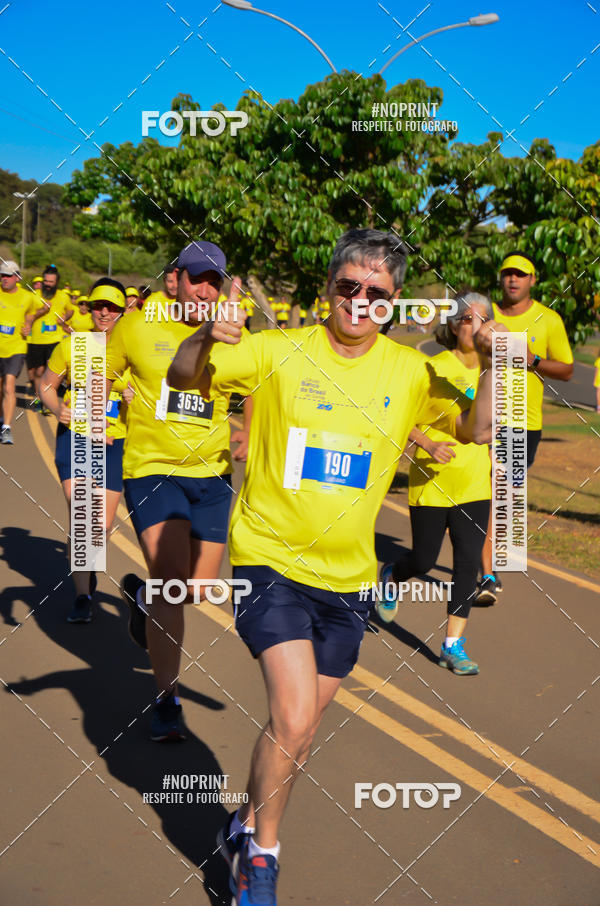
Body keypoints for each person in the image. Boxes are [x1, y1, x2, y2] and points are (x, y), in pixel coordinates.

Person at [168, 228, 501, 906]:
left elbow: (481, 430)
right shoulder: (276, 349)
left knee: (299, 732)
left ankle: (241, 824)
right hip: (269, 561)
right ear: (328, 287)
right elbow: (182, 376)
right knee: (291, 718)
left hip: (350, 579)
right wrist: (206, 337)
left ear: (393, 301)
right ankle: (262, 860)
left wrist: (497, 365)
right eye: (347, 286)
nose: (359, 300)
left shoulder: (411, 373)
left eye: (375, 293)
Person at [105, 241, 239, 742]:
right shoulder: (136, 326)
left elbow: (253, 392)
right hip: (152, 469)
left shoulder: (234, 336)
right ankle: (166, 698)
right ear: (174, 280)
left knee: (196, 591)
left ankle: (140, 600)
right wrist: (102, 407)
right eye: (198, 278)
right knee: (170, 584)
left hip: (214, 476)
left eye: (215, 281)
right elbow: (102, 372)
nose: (206, 289)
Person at [376, 293, 494, 675]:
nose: (474, 326)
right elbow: (400, 416)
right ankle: (393, 575)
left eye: (483, 319)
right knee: (424, 559)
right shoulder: (432, 367)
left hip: (475, 484)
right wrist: (426, 442)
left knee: (465, 567)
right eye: (466, 319)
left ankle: (452, 645)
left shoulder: (496, 372)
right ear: (455, 326)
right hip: (431, 480)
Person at [476, 251, 574, 603]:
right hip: (485, 418)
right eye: (507, 274)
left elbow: (566, 370)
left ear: (533, 280)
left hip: (524, 423)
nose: (513, 280)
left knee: (502, 500)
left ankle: (485, 564)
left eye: (521, 274)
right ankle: (485, 574)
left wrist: (531, 359)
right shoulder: (484, 314)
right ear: (500, 279)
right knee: (489, 492)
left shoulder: (548, 320)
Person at [40, 279, 129, 622]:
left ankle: (87, 568)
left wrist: (134, 400)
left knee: (100, 528)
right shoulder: (72, 346)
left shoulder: (131, 352)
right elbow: (47, 385)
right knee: (82, 520)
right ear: (90, 308)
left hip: (113, 443)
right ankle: (82, 595)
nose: (104, 312)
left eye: (112, 307)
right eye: (98, 306)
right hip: (74, 439)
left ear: (123, 311)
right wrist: (54, 406)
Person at [24, 265, 71, 412]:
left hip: (55, 340)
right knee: (37, 372)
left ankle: (49, 402)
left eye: (51, 282)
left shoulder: (63, 296)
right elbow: (28, 316)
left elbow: (70, 310)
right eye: (46, 281)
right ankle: (39, 399)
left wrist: (65, 317)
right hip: (36, 340)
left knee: (52, 370)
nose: (47, 284)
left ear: (56, 282)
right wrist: (42, 311)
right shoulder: (34, 295)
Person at [0, 261, 36, 444]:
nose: (4, 279)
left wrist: (29, 321)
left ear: (17, 277)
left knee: (9, 386)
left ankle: (6, 428)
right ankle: (2, 417)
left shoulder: (27, 297)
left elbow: (44, 307)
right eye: (2, 275)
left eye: (7, 276)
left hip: (16, 348)